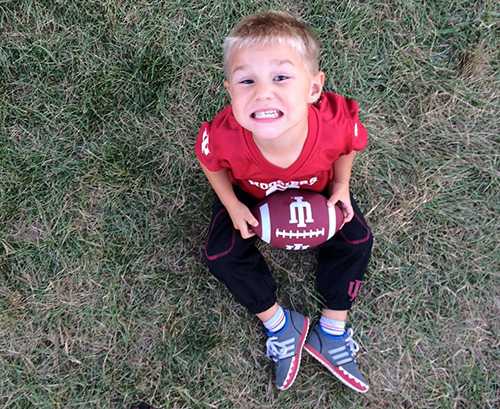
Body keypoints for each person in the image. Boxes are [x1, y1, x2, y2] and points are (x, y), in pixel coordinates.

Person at [194, 11, 373, 393]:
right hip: (250, 194)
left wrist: (341, 185)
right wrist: (232, 204)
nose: (262, 93)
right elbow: (209, 163)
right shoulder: (224, 135)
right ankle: (280, 323)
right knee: (220, 254)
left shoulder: (336, 122)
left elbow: (350, 146)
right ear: (230, 91)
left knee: (357, 239)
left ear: (313, 88)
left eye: (280, 77)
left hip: (320, 189)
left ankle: (332, 330)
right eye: (247, 81)